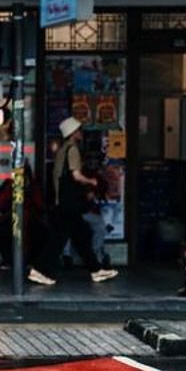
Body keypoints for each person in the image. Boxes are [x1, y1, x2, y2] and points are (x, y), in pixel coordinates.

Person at [28, 117, 118, 286]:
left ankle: (96, 270)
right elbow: (76, 175)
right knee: (58, 239)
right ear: (73, 133)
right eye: (78, 130)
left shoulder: (63, 149)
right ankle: (39, 270)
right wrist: (91, 182)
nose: (80, 132)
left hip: (64, 202)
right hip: (69, 203)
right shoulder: (73, 150)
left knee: (81, 236)